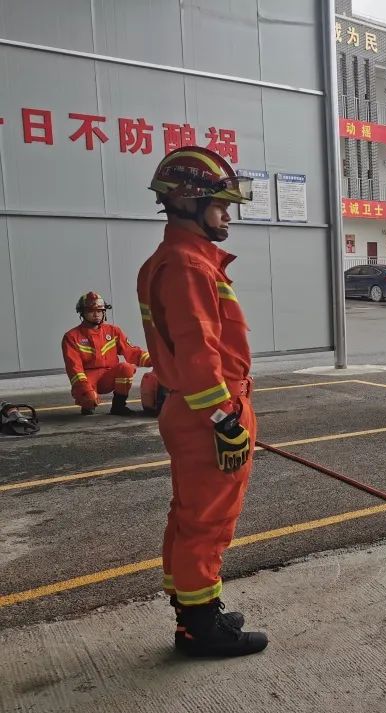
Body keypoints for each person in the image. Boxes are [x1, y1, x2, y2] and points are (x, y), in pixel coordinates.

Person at [137, 145, 267, 658]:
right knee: (208, 521)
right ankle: (200, 630)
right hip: (207, 412)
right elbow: (198, 355)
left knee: (190, 514)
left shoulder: (176, 260)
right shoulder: (188, 265)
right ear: (187, 202)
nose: (227, 214)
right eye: (219, 204)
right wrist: (225, 419)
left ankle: (196, 607)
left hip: (196, 410)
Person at [61, 292, 152, 415]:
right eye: (91, 311)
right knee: (89, 398)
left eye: (99, 311)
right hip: (87, 378)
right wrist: (85, 389)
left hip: (108, 376)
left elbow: (132, 352)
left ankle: (118, 406)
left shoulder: (113, 331)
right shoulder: (71, 337)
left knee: (126, 368)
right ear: (82, 313)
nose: (96, 314)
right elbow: (74, 369)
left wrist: (156, 359)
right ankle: (88, 405)